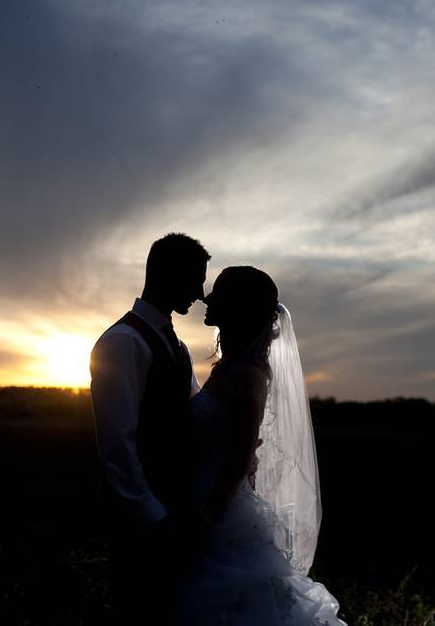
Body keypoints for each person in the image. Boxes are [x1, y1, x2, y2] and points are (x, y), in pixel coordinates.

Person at [176, 266, 347, 624]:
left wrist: (204, 517)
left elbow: (239, 461)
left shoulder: (249, 376)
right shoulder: (225, 368)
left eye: (218, 293)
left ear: (238, 307)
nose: (207, 299)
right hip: (201, 497)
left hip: (220, 514)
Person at [90, 233, 211, 622]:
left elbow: (192, 416)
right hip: (144, 523)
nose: (200, 293)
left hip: (176, 510)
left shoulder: (178, 345)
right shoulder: (122, 343)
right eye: (195, 279)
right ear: (166, 274)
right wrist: (155, 519)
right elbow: (117, 446)